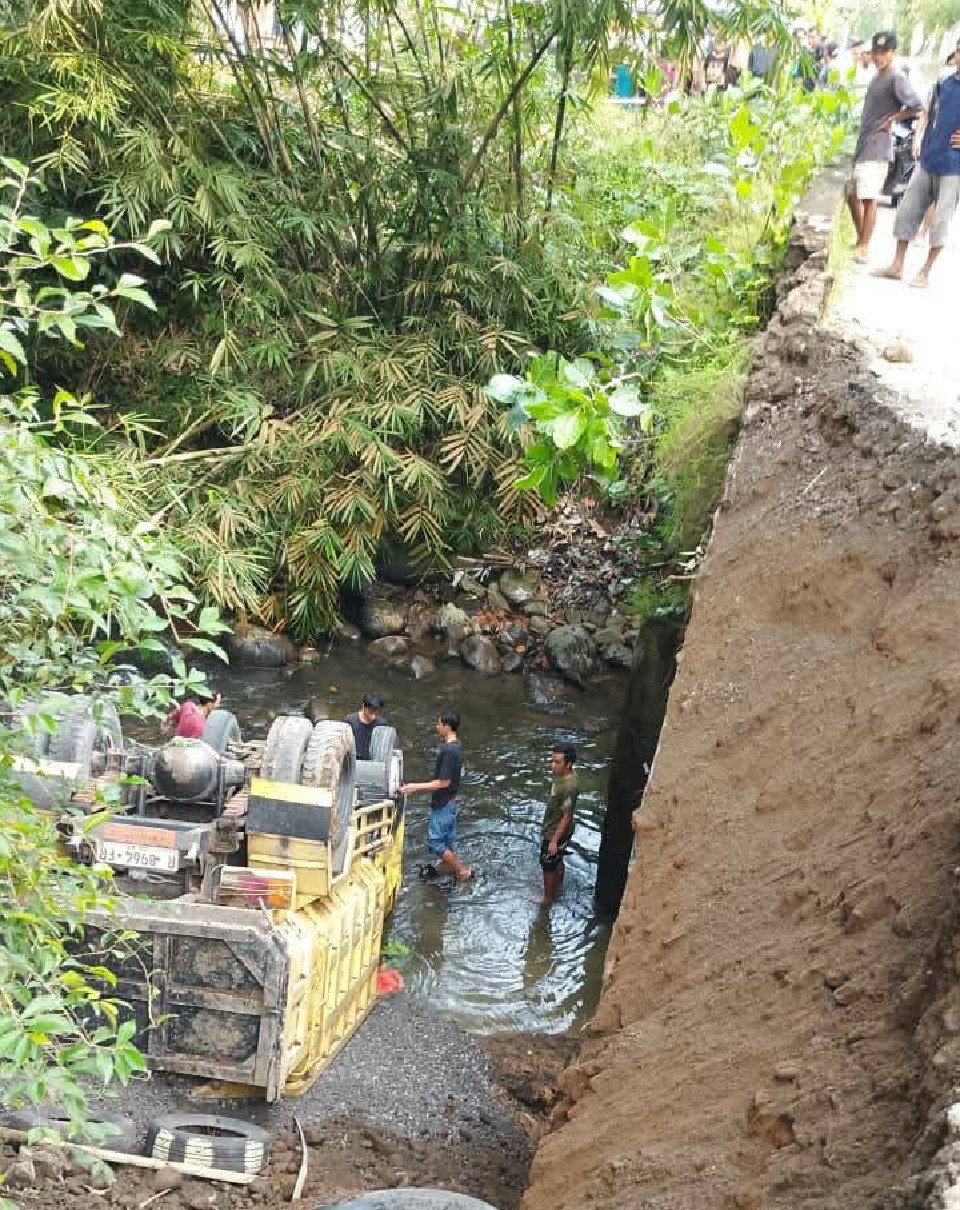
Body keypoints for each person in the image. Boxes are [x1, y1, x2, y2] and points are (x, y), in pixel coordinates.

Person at [875, 38, 960, 288]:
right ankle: (897, 264)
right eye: (958, 48)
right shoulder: (944, 82)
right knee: (907, 210)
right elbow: (927, 112)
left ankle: (925, 271)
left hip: (954, 165)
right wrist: (919, 137)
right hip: (930, 156)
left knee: (941, 219)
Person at [846, 32, 921, 263]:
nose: (879, 56)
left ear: (893, 53)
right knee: (851, 194)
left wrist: (894, 119)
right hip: (865, 144)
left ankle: (865, 246)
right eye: (876, 52)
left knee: (869, 198)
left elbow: (917, 105)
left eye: (884, 52)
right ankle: (861, 240)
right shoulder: (877, 76)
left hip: (878, 147)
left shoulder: (896, 77)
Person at [400, 709, 472, 882]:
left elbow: (443, 782)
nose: (437, 727)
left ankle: (462, 871)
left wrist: (414, 787)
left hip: (444, 804)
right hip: (451, 802)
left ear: (447, 726)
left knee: (436, 844)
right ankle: (449, 868)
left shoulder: (448, 751)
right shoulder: (457, 746)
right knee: (447, 842)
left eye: (439, 724)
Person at [539, 744, 578, 905]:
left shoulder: (569, 786)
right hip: (556, 827)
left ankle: (548, 898)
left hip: (556, 831)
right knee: (557, 858)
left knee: (547, 864)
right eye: (552, 761)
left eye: (557, 762)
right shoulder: (565, 776)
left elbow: (566, 816)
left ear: (568, 764)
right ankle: (558, 884)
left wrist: (554, 840)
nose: (552, 765)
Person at [344, 692, 387, 760]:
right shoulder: (350, 721)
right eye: (371, 712)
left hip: (373, 762)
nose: (373, 717)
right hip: (353, 760)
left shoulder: (381, 724)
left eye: (376, 712)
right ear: (364, 706)